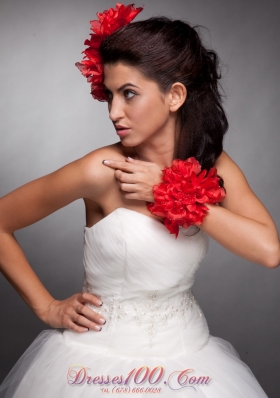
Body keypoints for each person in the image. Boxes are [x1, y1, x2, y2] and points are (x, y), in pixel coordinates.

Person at [0, 3, 279, 397]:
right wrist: (47, 307)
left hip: (192, 363)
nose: (114, 111)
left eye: (129, 94)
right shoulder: (102, 169)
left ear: (175, 96)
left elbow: (269, 251)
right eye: (110, 95)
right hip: (98, 370)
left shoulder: (212, 163)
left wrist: (170, 189)